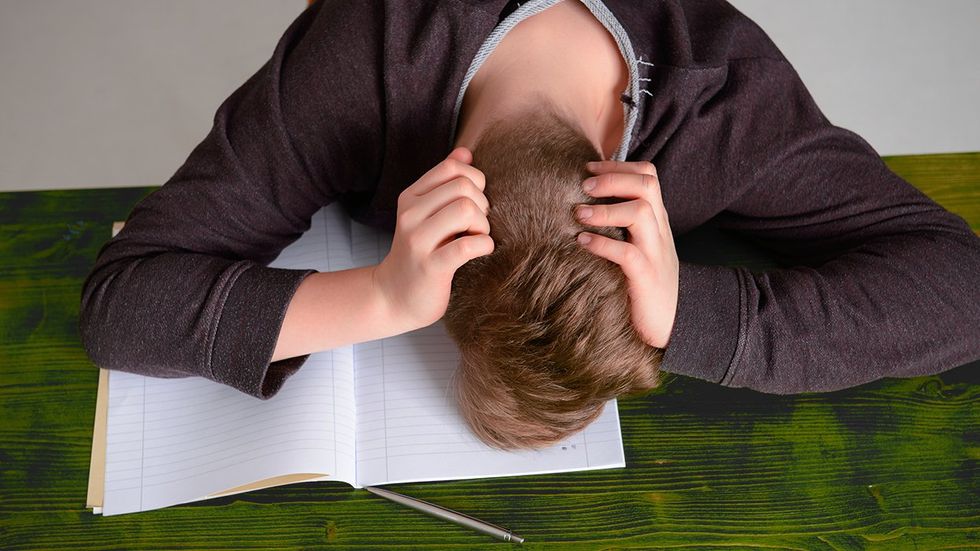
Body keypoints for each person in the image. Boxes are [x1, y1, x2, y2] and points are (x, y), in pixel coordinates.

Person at [79, 0, 980, 448]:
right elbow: (118, 300)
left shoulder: (724, 98)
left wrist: (685, 315)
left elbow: (961, 287)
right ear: (432, 176)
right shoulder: (356, 56)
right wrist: (376, 296)